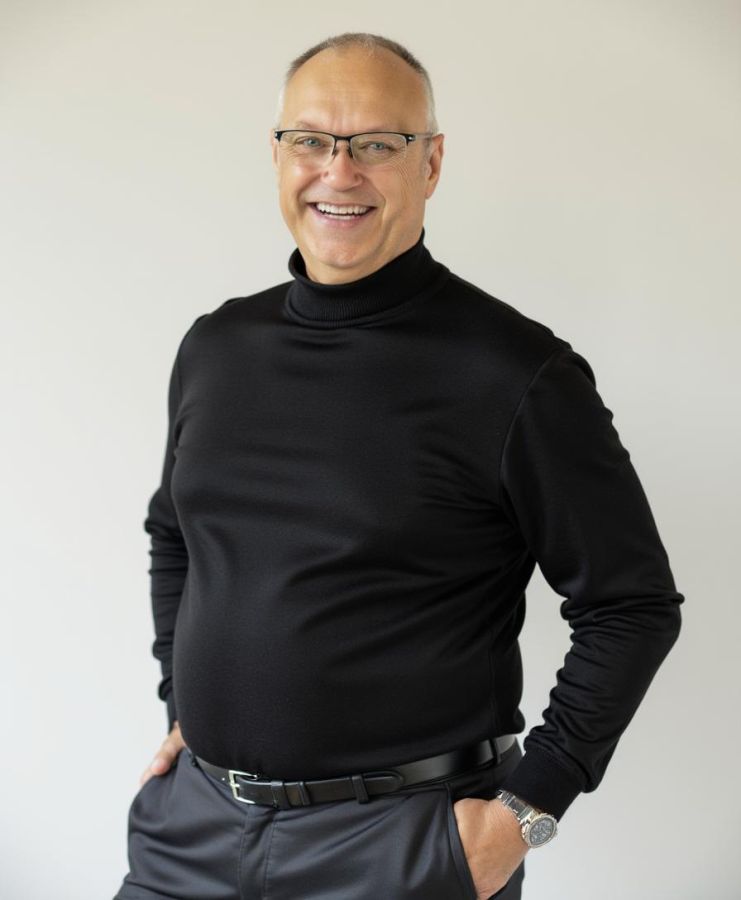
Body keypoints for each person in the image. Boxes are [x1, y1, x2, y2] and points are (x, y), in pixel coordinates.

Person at [114, 32, 684, 900]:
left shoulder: (514, 373)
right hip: (190, 830)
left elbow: (630, 606)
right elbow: (175, 537)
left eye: (378, 144)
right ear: (278, 154)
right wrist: (181, 706)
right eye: (311, 139)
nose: (338, 172)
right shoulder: (217, 346)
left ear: (431, 163)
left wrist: (524, 814)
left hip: (404, 846)